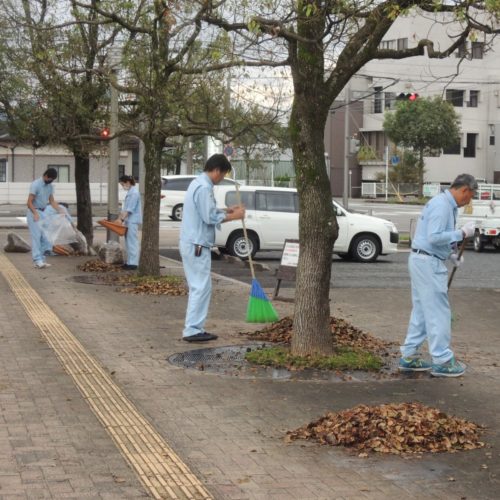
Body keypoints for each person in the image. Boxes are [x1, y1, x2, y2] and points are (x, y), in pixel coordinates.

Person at [399, 173, 477, 377]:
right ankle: (442, 359)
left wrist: (451, 254)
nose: (469, 200)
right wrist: (461, 234)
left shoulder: (443, 204)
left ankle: (409, 355)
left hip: (422, 259)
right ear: (464, 190)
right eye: (470, 196)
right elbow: (434, 237)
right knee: (438, 312)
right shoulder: (443, 206)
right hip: (428, 263)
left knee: (422, 311)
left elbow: (431, 238)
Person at [180, 154, 245, 342]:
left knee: (199, 287)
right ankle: (193, 329)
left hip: (193, 242)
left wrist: (226, 210)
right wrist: (235, 216)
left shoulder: (197, 184)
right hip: (197, 244)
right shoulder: (203, 188)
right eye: (223, 174)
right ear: (217, 170)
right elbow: (208, 217)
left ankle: (193, 327)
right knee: (201, 287)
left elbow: (206, 211)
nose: (222, 178)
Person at [26, 168, 65, 269]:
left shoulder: (50, 186)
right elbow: (29, 202)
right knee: (36, 237)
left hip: (43, 212)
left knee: (46, 237)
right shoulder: (36, 184)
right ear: (46, 175)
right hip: (34, 212)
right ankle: (37, 260)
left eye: (53, 180)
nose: (51, 181)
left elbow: (52, 201)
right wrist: (35, 213)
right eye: (50, 179)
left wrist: (60, 210)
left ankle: (42, 259)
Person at [118, 175, 142, 270]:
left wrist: (121, 219)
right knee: (128, 242)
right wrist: (121, 218)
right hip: (129, 220)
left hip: (132, 221)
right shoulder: (131, 192)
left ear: (128, 182)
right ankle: (129, 262)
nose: (122, 186)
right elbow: (125, 209)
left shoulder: (134, 193)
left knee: (132, 242)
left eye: (122, 184)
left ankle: (133, 263)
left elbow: (129, 209)